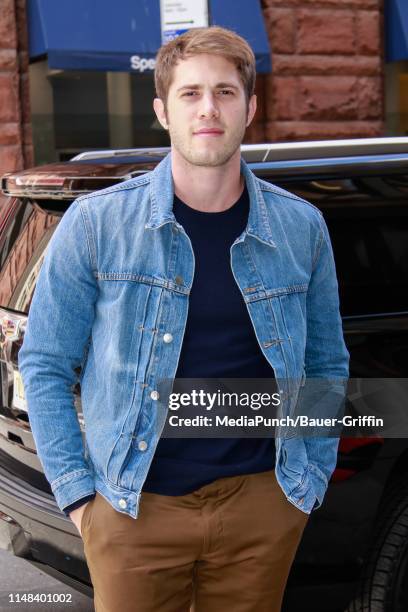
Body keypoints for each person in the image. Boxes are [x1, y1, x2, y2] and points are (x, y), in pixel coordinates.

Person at [18, 26, 349, 612]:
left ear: (250, 108)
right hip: (132, 509)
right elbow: (44, 364)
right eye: (190, 93)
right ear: (162, 112)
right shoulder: (97, 225)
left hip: (262, 504)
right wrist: (77, 496)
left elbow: (325, 362)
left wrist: (308, 479)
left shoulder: (302, 229)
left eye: (224, 92)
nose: (208, 109)